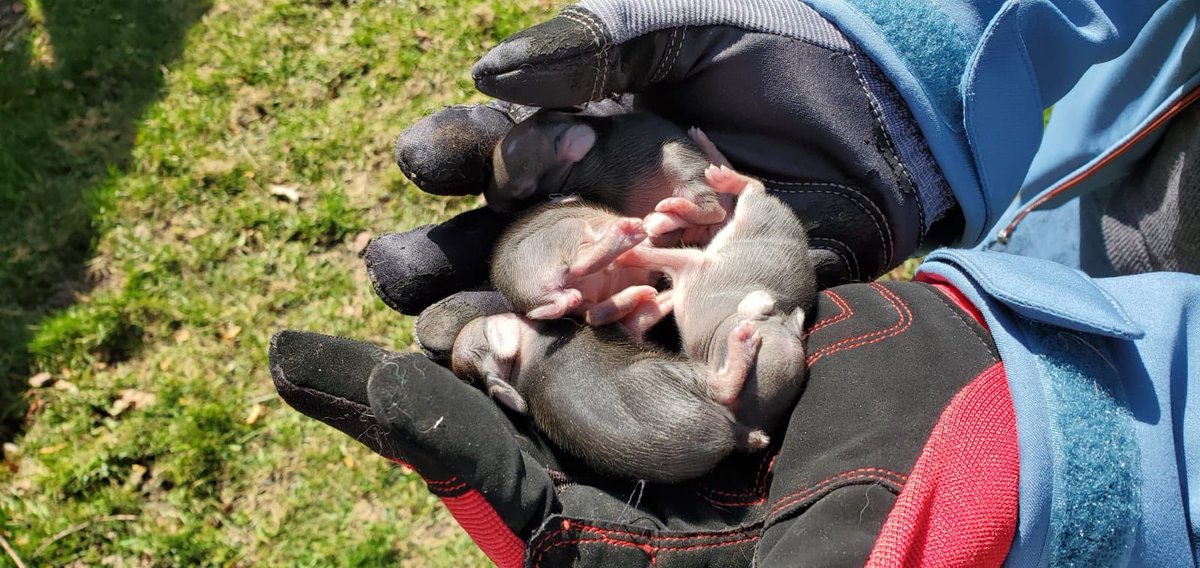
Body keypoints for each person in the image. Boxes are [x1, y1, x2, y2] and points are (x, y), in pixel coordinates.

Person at [269, 1, 1200, 566]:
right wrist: (893, 65)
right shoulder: (602, 273)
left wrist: (1087, 452)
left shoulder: (614, 278)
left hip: (1091, 385)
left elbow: (640, 274)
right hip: (1078, 256)